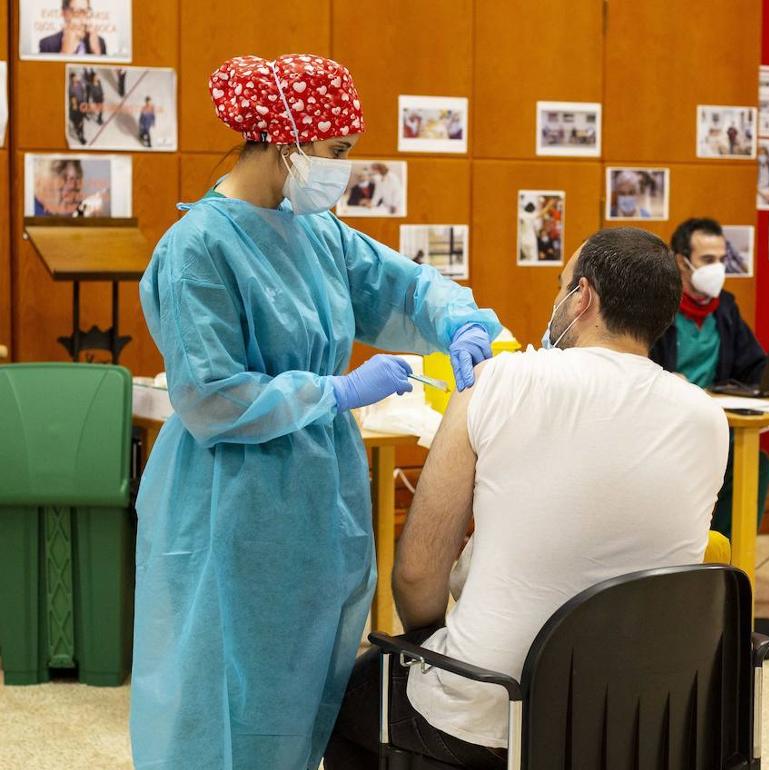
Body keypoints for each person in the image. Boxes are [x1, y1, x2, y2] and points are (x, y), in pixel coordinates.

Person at [130, 53, 501, 770]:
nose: (340, 170)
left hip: (317, 493)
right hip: (227, 503)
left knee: (307, 683)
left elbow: (405, 287)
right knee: (223, 686)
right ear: (280, 139)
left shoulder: (317, 233)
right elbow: (209, 395)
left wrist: (461, 323)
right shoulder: (196, 249)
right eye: (333, 153)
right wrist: (332, 392)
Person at [325, 227, 728, 768]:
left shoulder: (495, 381)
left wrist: (428, 641)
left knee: (346, 698)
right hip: (641, 716)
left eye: (562, 286)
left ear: (582, 297)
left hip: (494, 713)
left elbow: (418, 574)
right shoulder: (708, 417)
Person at [649, 218, 769, 540]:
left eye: (721, 260)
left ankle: (728, 559)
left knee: (755, 464)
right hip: (667, 428)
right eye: (707, 260)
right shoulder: (656, 308)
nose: (717, 268)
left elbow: (755, 365)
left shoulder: (725, 308)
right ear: (681, 262)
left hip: (715, 425)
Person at [38, 0, 108, 55]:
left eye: (85, 12)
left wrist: (96, 53)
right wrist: (65, 53)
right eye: (77, 12)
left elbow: (103, 72)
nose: (82, 20)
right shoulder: (47, 44)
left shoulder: (99, 42)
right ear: (64, 14)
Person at [67, 72, 87, 145]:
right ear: (71, 79)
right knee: (78, 126)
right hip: (77, 107)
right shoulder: (71, 88)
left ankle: (81, 134)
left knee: (81, 121)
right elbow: (72, 98)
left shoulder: (79, 83)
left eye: (76, 77)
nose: (76, 79)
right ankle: (80, 136)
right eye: (74, 78)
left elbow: (83, 88)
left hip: (81, 102)